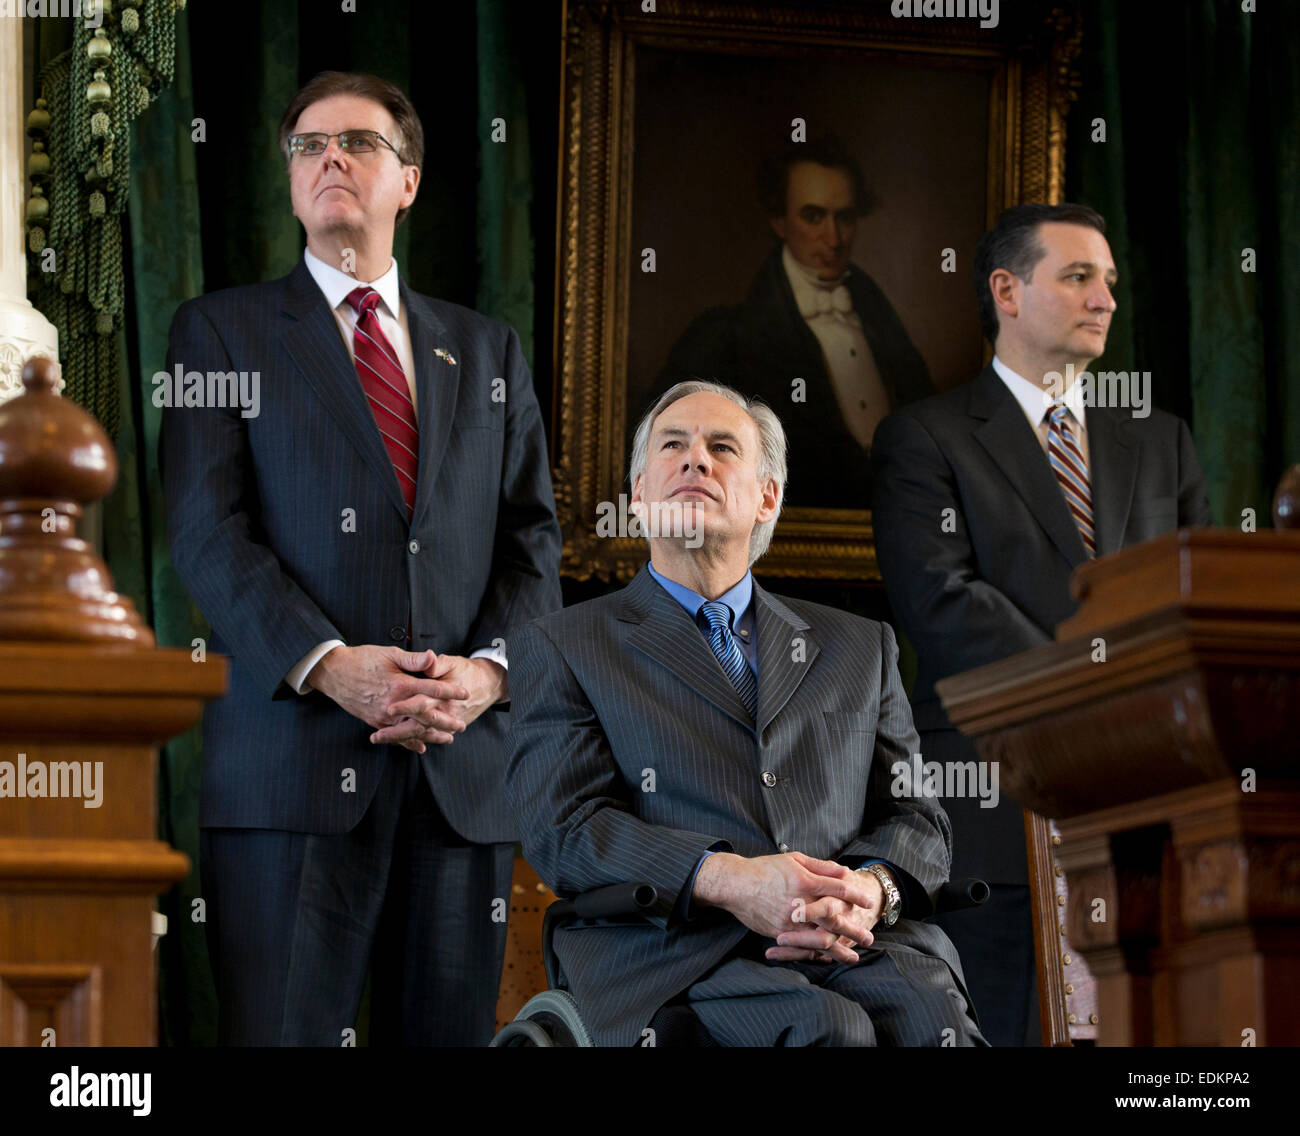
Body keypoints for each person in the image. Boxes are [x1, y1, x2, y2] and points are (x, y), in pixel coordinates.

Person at [159, 71, 562, 1045]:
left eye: (356, 143)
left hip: (460, 777)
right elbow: (206, 533)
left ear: (410, 180)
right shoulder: (217, 331)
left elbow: (531, 540)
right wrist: (332, 666)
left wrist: (485, 673)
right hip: (288, 772)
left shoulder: (490, 350)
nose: (328, 159)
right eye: (307, 146)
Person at [507, 380, 983, 1047]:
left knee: (934, 1021)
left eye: (721, 447)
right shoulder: (563, 644)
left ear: (768, 496)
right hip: (672, 950)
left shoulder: (860, 645)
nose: (695, 460)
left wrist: (871, 890)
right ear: (640, 495)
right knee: (829, 1030)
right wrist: (733, 881)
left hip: (854, 943)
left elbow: (916, 817)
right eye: (673, 446)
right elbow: (565, 828)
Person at [871, 202, 1213, 1045]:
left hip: (1149, 796)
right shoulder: (925, 437)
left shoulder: (1162, 441)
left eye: (1109, 282)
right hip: (989, 797)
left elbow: (1192, 603)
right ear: (1006, 291)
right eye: (1078, 276)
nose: (1105, 299)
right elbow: (941, 602)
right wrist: (1102, 686)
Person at [658, 136, 932, 508]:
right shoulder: (728, 338)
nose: (833, 238)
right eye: (814, 216)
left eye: (845, 218)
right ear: (779, 221)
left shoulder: (882, 322)